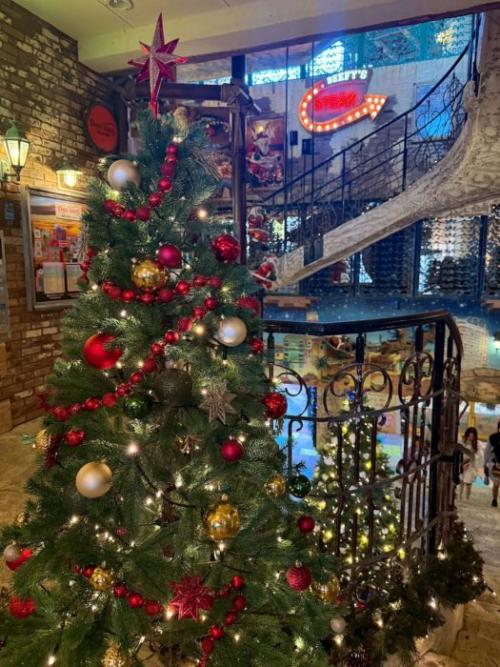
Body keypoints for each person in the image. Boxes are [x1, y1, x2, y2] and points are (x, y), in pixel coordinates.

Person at [458, 427, 480, 501]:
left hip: (470, 465)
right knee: (461, 480)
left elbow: (477, 455)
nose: (471, 438)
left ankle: (467, 497)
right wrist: (462, 462)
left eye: (472, 436)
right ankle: (460, 496)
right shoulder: (462, 442)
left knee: (468, 482)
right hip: (461, 463)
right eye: (469, 436)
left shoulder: (477, 444)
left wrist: (470, 461)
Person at [484, 420, 500, 507]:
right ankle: (494, 499)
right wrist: (486, 463)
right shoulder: (493, 438)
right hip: (495, 464)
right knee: (496, 483)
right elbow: (487, 452)